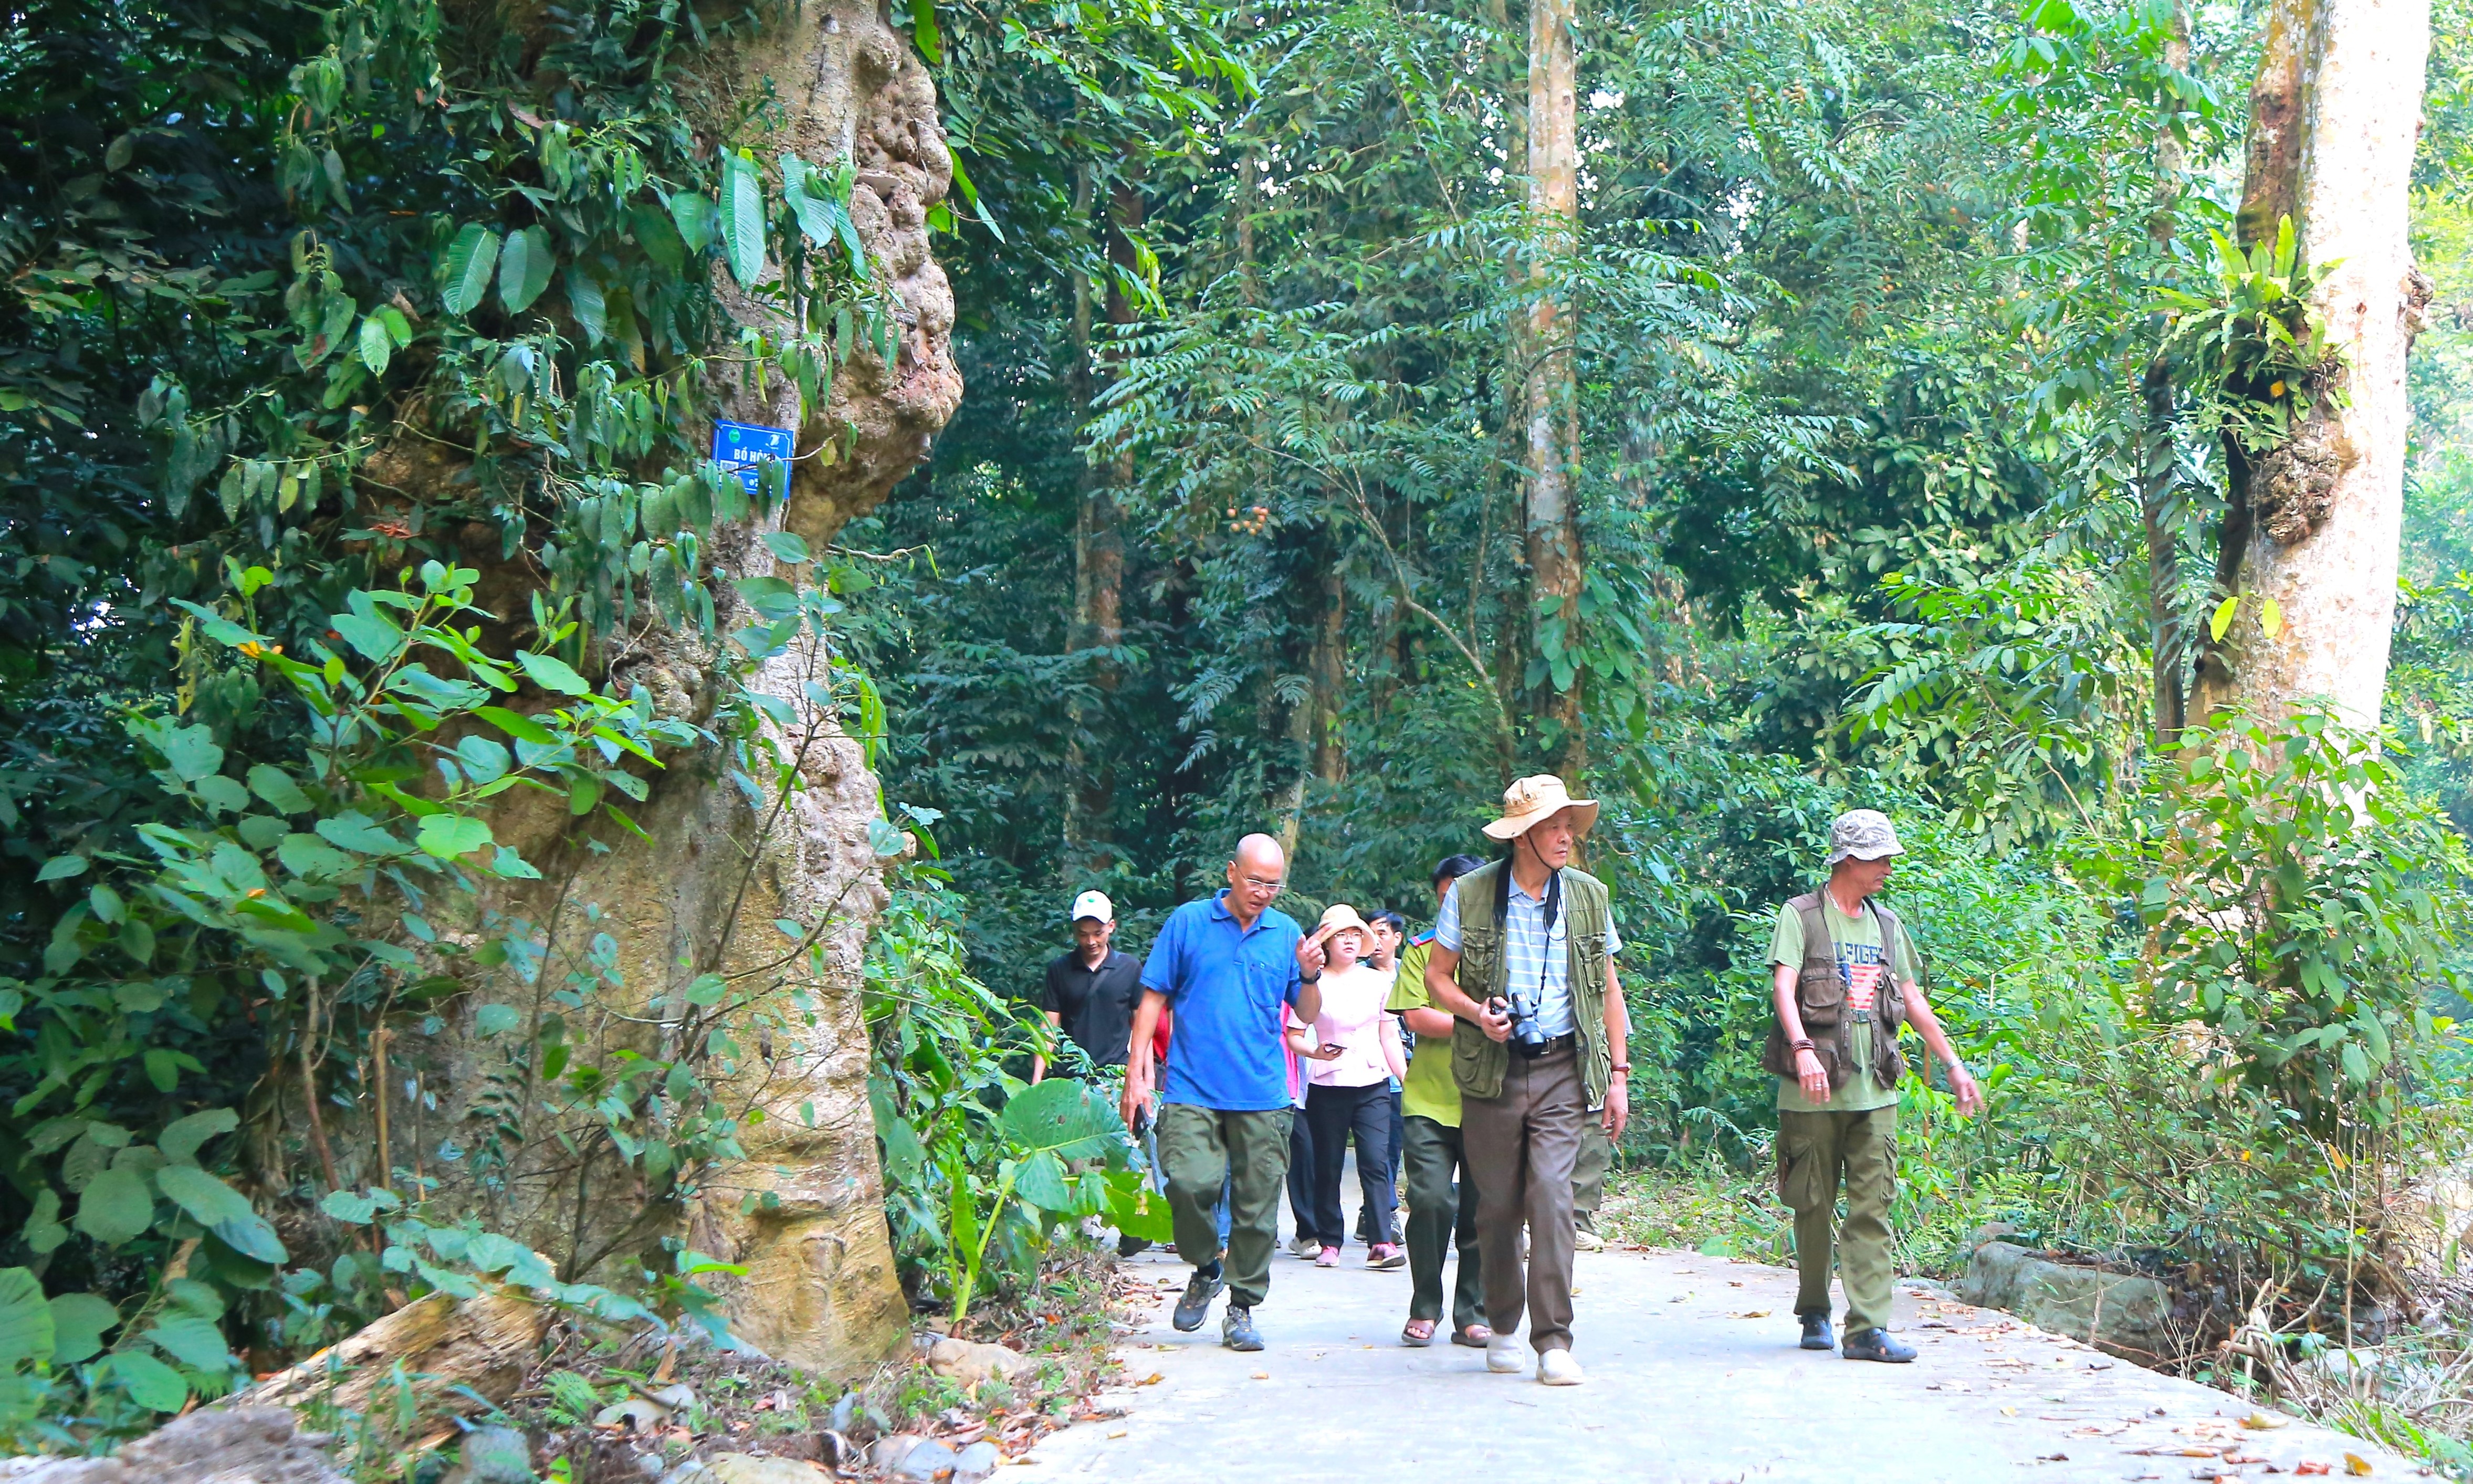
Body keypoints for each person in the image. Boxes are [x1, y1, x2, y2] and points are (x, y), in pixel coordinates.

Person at [1426, 776, 1630, 1387]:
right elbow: (1439, 977)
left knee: (1551, 1195)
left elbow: (1610, 990)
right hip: (1493, 1070)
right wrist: (1475, 1014)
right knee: (1496, 1208)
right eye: (1552, 826)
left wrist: (1619, 1074)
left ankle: (1554, 1341)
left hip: (1565, 1068)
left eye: (1570, 824)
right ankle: (1504, 1323)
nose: (1566, 836)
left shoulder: (1589, 897)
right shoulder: (1470, 893)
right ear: (1523, 837)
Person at [1763, 809, 1983, 1363]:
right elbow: (1784, 989)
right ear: (1850, 859)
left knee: (1873, 1207)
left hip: (1876, 1088)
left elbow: (1914, 1002)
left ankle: (1865, 1328)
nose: (1888, 867)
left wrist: (1954, 1064)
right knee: (1812, 1203)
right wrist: (1803, 1049)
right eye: (1881, 857)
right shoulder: (1802, 916)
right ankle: (1814, 1308)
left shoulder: (1887, 925)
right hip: (1813, 1089)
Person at [1123, 834, 1327, 1352]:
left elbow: (1306, 1013)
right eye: (1256, 881)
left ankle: (1241, 1309)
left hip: (1262, 1093)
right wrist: (1137, 1074)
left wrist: (1309, 974)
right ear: (1232, 872)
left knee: (1258, 1209)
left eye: (1274, 885)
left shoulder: (1285, 934)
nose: (1263, 892)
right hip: (1193, 1087)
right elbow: (1152, 1001)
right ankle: (1207, 1266)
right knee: (1188, 1184)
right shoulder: (1188, 923)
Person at [1387, 855, 1492, 1349]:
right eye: (1446, 896)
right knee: (1429, 1199)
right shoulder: (1422, 950)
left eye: (1463, 895)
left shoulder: (1506, 947)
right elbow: (1415, 1016)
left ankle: (1472, 1310)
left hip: (1489, 1099)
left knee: (1482, 1210)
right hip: (1429, 1099)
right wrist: (1480, 1021)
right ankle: (1424, 1304)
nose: (1454, 904)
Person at [1288, 904, 1407, 1269]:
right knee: (1329, 1164)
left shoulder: (1378, 981)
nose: (1351, 940)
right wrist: (1317, 1053)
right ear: (1326, 942)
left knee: (1375, 1161)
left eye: (1356, 934)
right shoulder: (1312, 984)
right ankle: (1329, 1241)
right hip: (1328, 1083)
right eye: (1342, 934)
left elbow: (1389, 1033)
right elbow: (1294, 1035)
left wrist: (1406, 1079)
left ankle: (1382, 1240)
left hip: (1373, 1081)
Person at [1033, 890, 1141, 1084]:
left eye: (1098, 934)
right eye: (1083, 934)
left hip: (1114, 1077)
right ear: (1075, 931)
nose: (1091, 942)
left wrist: (1144, 1077)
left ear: (1111, 927)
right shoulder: (1059, 969)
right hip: (1069, 1078)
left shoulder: (1130, 968)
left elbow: (1142, 1027)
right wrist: (1036, 1079)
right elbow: (1049, 1027)